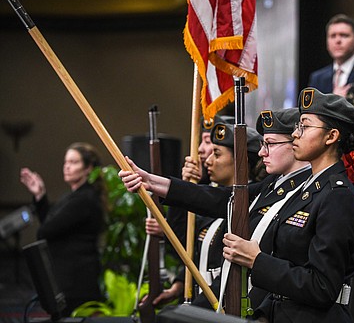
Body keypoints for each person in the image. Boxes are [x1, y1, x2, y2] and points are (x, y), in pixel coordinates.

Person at [122, 109, 312, 312]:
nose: (262, 152)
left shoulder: (314, 190)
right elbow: (218, 200)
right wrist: (151, 181)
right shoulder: (273, 185)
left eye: (271, 144)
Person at [222, 88, 354, 322]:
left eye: (305, 126)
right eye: (297, 126)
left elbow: (321, 287)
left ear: (331, 137)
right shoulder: (307, 189)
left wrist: (257, 260)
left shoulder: (337, 196)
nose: (296, 135)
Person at [120, 120, 264, 308]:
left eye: (217, 154)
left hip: (220, 306)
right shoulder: (215, 199)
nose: (208, 160)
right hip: (203, 303)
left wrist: (193, 310)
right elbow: (185, 245)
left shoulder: (250, 205)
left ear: (241, 161)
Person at [20, 142, 106, 315]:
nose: (67, 166)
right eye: (66, 162)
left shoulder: (84, 199)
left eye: (74, 162)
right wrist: (40, 195)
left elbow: (45, 230)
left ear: (88, 168)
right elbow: (51, 225)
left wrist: (43, 207)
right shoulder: (74, 196)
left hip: (77, 280)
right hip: (70, 277)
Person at [308, 14, 354, 96]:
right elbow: (311, 108)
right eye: (333, 36)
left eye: (344, 35)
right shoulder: (317, 78)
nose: (337, 40)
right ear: (327, 42)